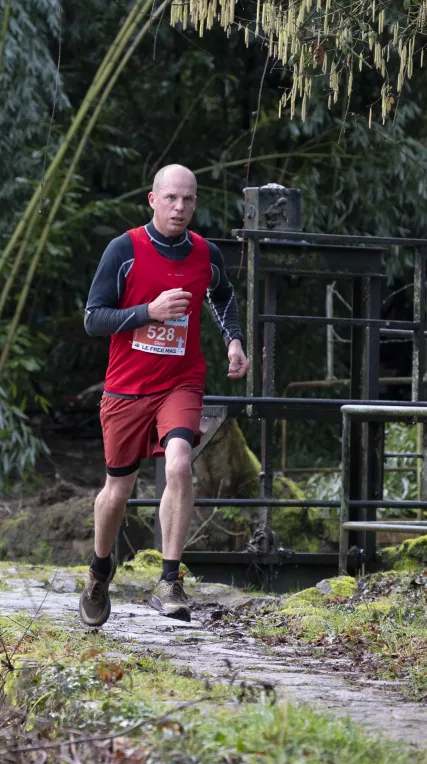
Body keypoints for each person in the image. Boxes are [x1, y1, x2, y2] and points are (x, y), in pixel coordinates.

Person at [79, 164, 248, 627]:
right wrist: (147, 312)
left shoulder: (205, 253)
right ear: (153, 200)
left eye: (188, 199)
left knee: (178, 465)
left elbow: (223, 295)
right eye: (171, 198)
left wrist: (234, 340)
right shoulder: (124, 249)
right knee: (118, 491)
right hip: (127, 386)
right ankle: (99, 571)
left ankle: (170, 580)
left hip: (181, 381)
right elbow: (93, 318)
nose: (180, 207)